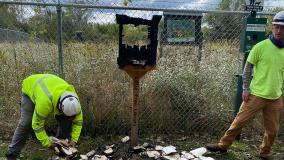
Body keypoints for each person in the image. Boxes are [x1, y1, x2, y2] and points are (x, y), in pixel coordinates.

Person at [205, 11, 284, 160]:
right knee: (238, 122)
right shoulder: (260, 47)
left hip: (275, 97)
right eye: (276, 27)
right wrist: (246, 88)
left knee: (272, 130)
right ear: (272, 28)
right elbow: (247, 69)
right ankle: (223, 145)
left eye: (282, 28)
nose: (279, 30)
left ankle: (265, 152)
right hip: (256, 95)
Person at [5, 74, 83, 160]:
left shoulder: (74, 102)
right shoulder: (45, 103)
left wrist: (74, 140)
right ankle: (12, 154)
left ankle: (63, 151)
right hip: (31, 87)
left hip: (51, 86)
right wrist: (48, 144)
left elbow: (78, 122)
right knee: (26, 123)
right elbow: (37, 125)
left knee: (66, 121)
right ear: (60, 107)